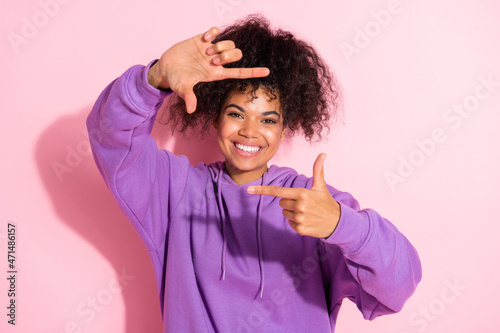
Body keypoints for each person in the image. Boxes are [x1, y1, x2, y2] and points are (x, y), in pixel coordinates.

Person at [87, 15, 421, 333]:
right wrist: (154, 78)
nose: (250, 131)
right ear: (216, 118)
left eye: (267, 119)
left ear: (284, 129)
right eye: (236, 113)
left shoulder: (314, 205)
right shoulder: (175, 192)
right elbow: (111, 137)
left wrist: (340, 225)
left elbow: (398, 287)